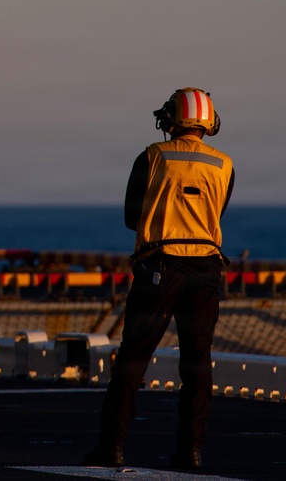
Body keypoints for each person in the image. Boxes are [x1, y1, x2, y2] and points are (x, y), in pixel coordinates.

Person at [84, 87, 235, 470]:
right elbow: (218, 212)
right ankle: (192, 452)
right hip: (205, 270)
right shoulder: (225, 164)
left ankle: (113, 446)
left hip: (159, 266)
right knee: (198, 363)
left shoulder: (152, 156)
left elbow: (130, 218)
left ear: (173, 119)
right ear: (209, 123)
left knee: (133, 359)